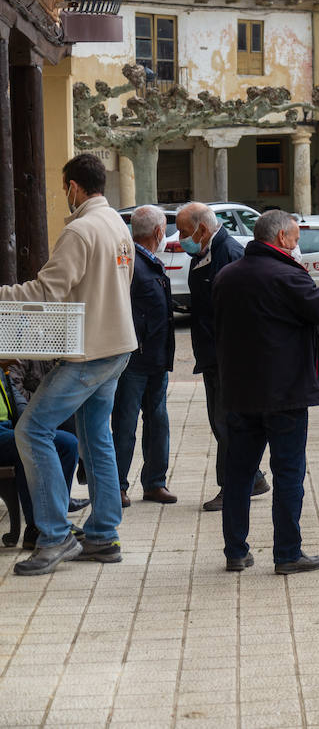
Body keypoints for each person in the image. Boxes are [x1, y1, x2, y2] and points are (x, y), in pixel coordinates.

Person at [3, 154, 136, 575]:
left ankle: (57, 535)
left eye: (65, 188)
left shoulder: (80, 230)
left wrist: (3, 296)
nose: (65, 195)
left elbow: (48, 291)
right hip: (116, 345)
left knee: (31, 430)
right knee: (96, 436)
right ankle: (102, 534)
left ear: (74, 187)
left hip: (90, 351)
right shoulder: (116, 223)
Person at [213, 210, 319, 574]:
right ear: (282, 239)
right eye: (295, 237)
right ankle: (288, 553)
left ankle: (235, 551)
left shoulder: (227, 275)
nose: (297, 244)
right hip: (284, 393)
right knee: (288, 473)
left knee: (239, 475)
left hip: (240, 391)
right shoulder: (287, 276)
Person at [178, 202, 266, 512]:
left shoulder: (228, 253)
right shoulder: (202, 253)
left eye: (184, 231)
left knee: (226, 422)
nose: (179, 237)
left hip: (228, 354)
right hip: (213, 353)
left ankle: (232, 486)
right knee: (221, 423)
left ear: (202, 230)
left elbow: (241, 309)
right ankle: (252, 477)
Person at [111, 205, 177, 507]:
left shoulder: (150, 261)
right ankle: (118, 486)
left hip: (156, 359)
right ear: (158, 232)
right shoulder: (130, 262)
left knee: (158, 421)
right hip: (133, 360)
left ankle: (154, 483)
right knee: (124, 424)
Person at [0, 362, 81, 552]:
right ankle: (36, 527)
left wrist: (31, 424)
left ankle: (58, 519)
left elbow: (16, 401)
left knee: (68, 443)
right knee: (25, 443)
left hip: (8, 428)